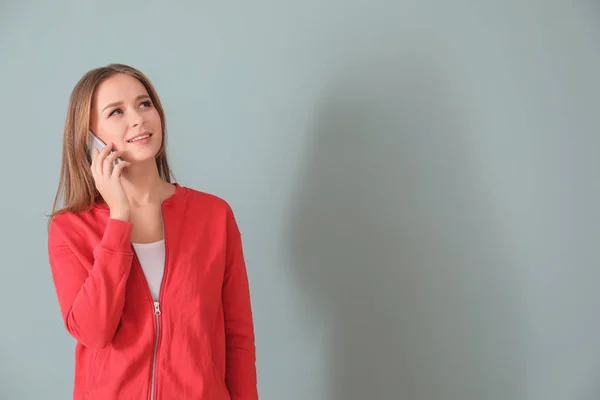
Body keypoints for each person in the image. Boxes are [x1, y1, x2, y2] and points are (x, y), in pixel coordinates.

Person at [47, 63, 258, 399]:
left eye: (144, 104)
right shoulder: (70, 228)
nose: (138, 119)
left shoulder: (214, 215)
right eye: (116, 111)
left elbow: (238, 336)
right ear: (89, 138)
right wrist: (119, 217)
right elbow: (94, 331)